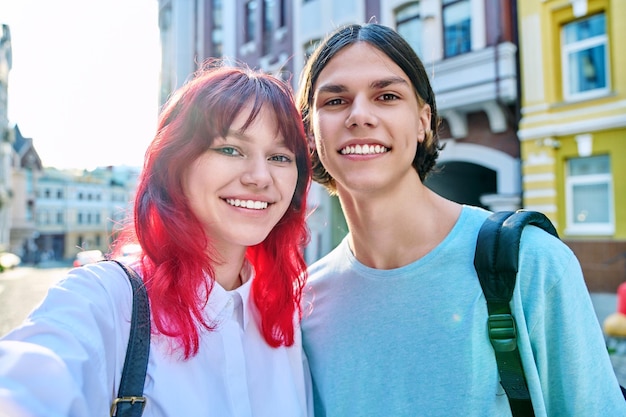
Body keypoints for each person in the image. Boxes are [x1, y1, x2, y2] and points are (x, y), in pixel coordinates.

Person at [296, 23, 626, 416]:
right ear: (310, 132)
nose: (360, 115)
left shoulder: (531, 265)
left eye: (386, 96)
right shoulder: (305, 303)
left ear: (422, 120)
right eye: (335, 101)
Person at [0, 61, 312, 416]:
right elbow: (29, 384)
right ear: (176, 163)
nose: (260, 176)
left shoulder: (291, 313)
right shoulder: (108, 300)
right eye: (230, 149)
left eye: (279, 156)